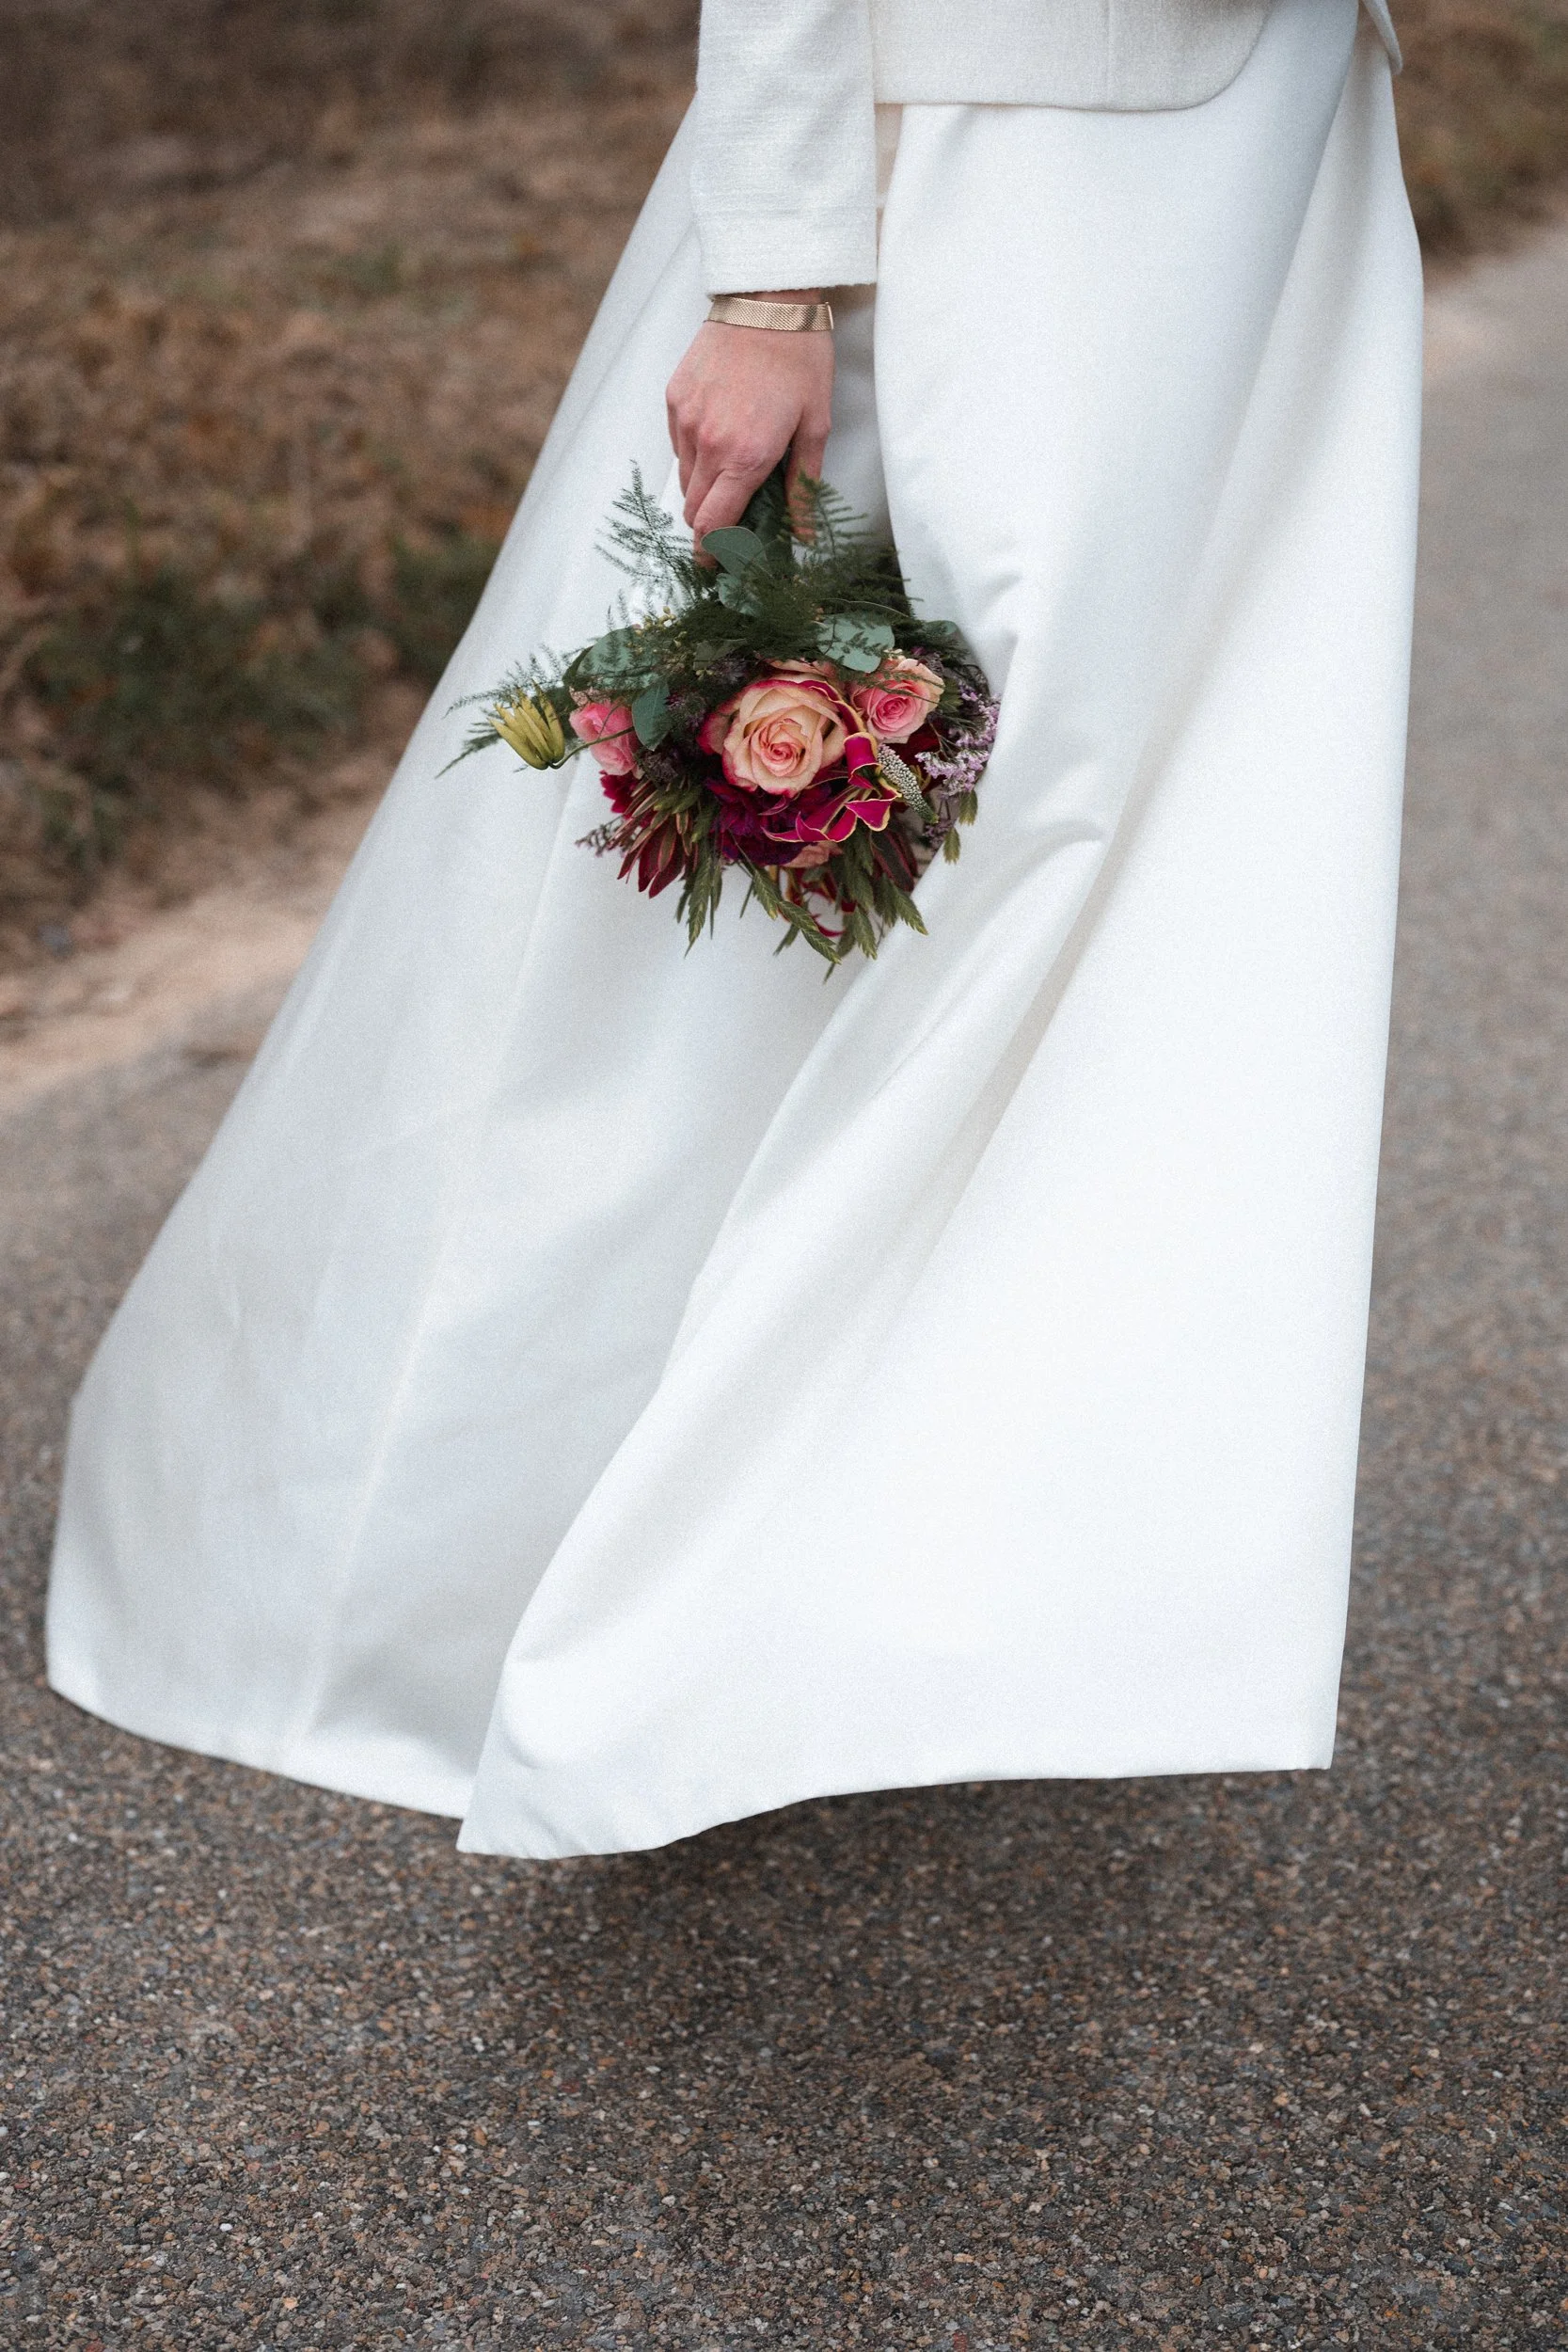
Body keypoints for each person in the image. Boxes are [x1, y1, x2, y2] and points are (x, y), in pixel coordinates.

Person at [47, 0, 1420, 1861]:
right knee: (772, 888)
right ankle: (428, 1582)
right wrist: (771, 276)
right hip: (976, 152)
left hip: (1264, 149)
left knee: (1144, 901)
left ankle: (902, 1556)